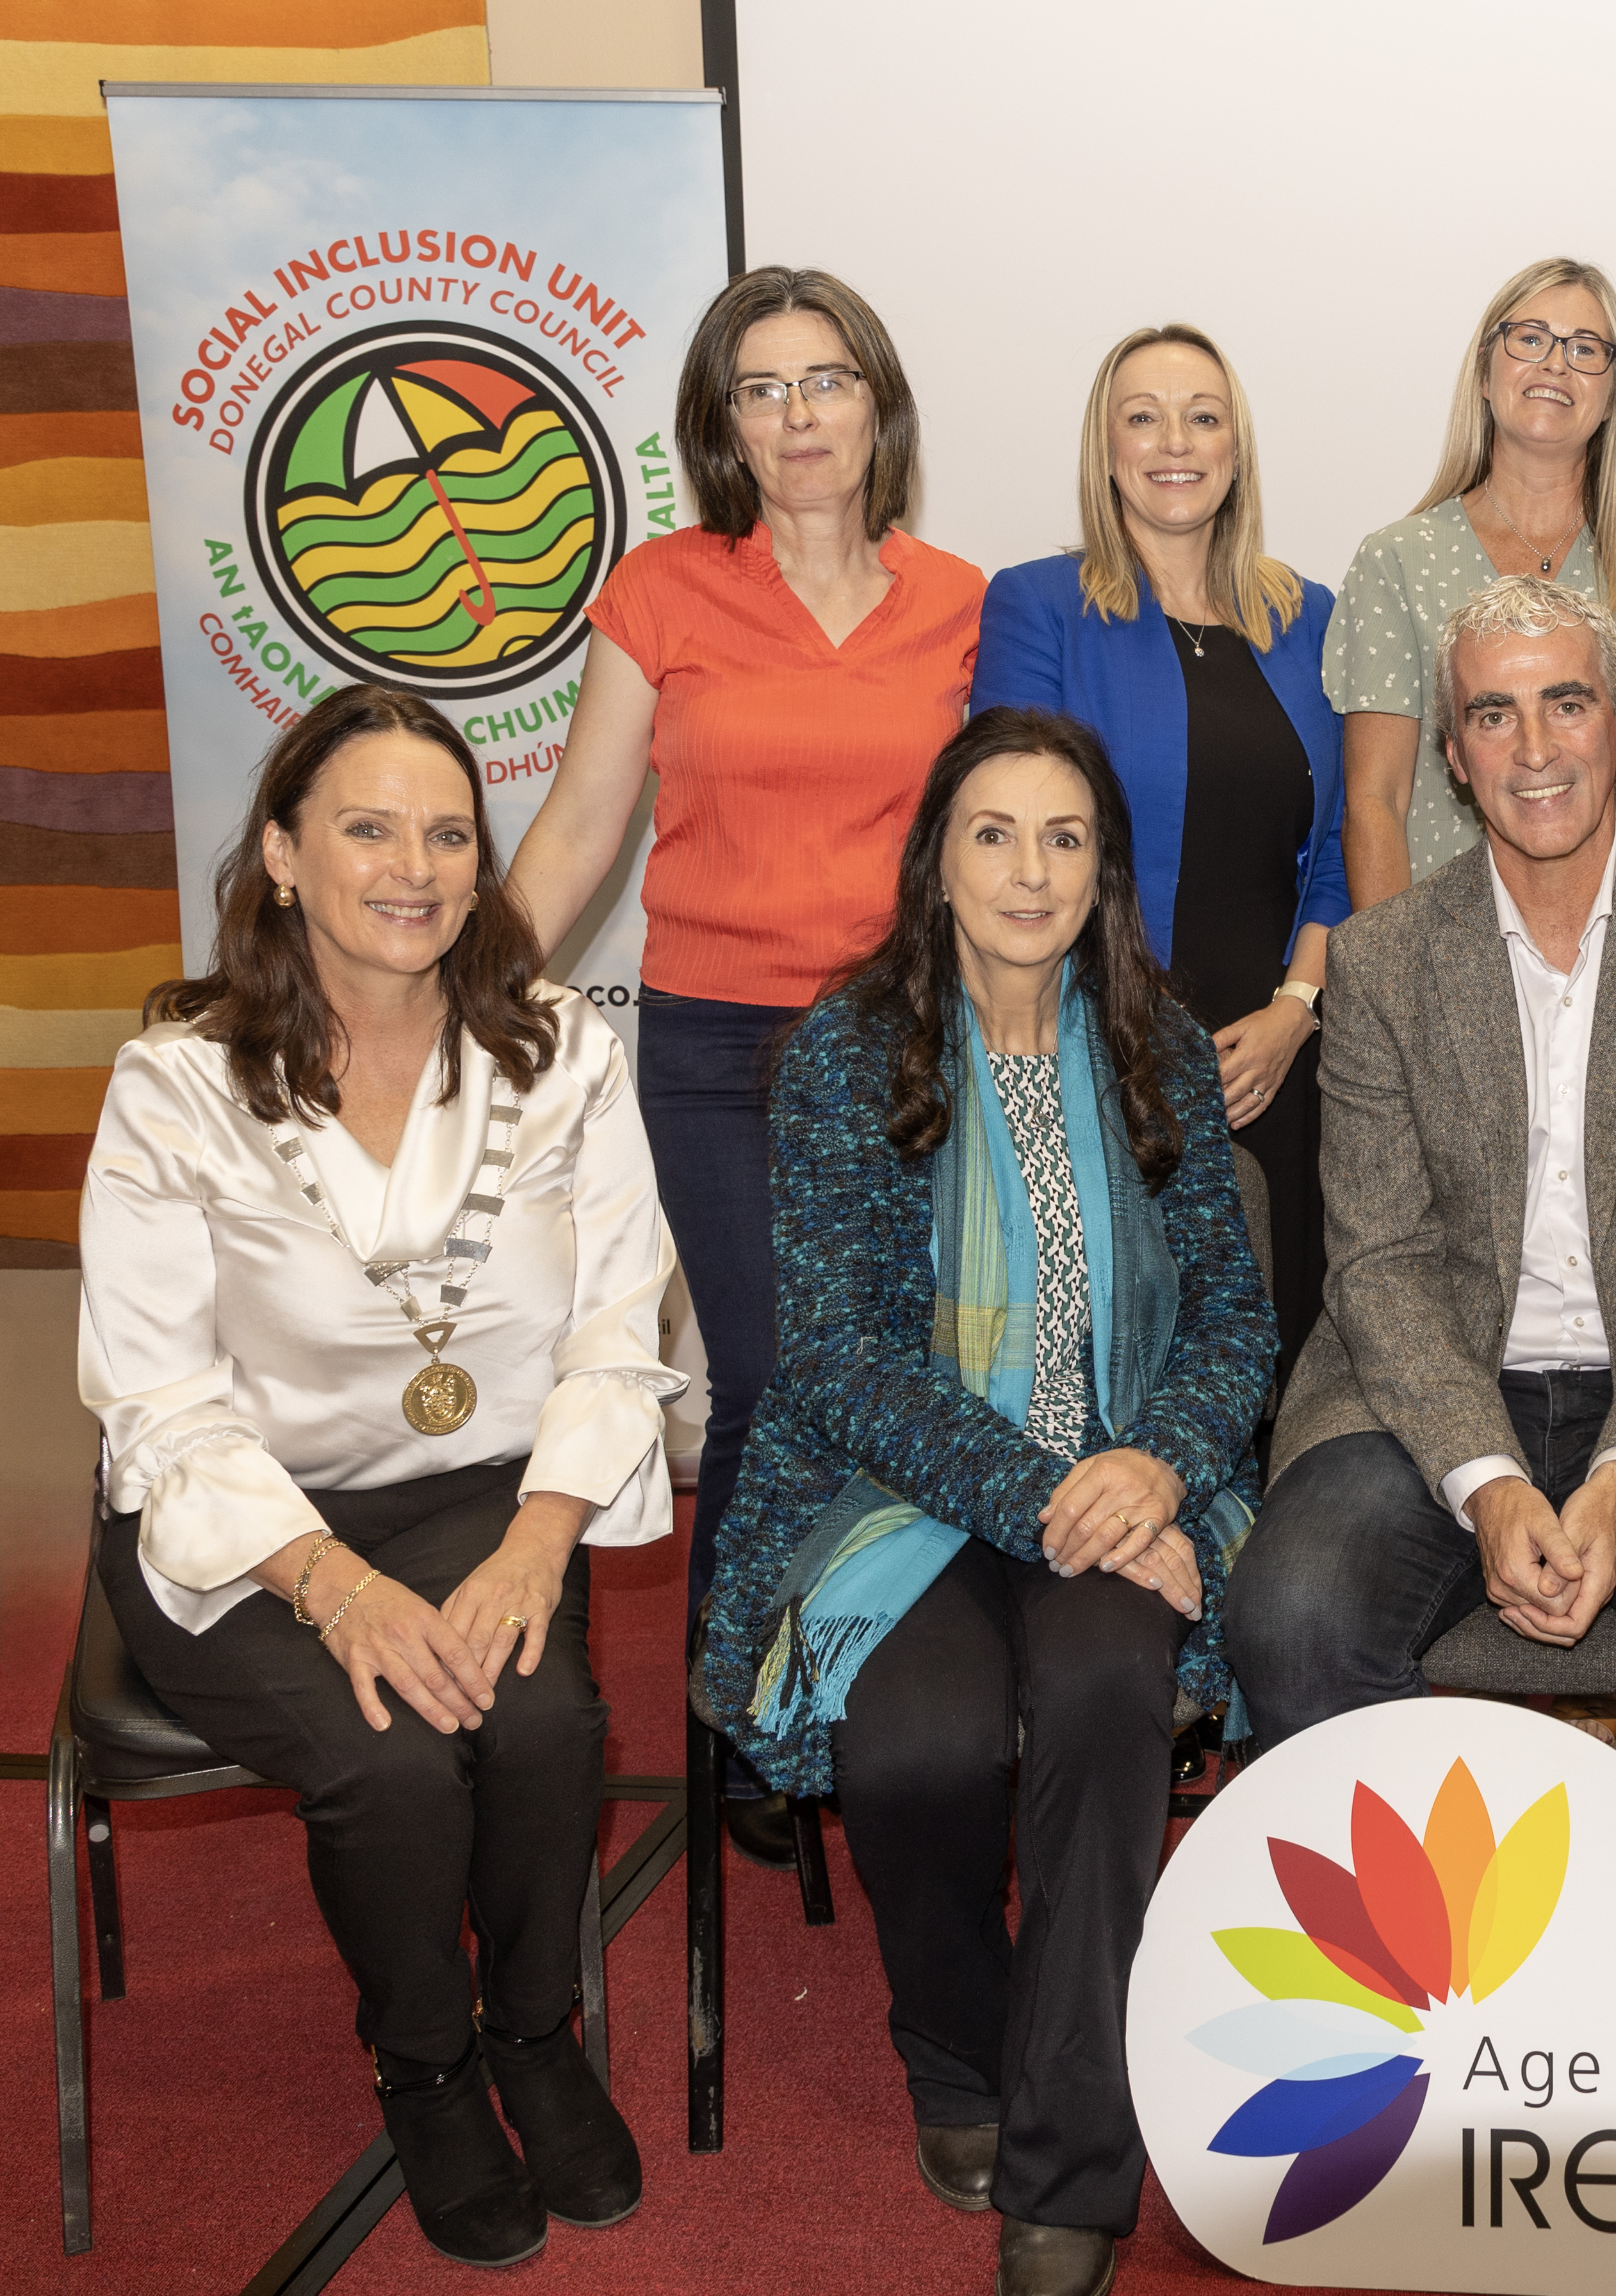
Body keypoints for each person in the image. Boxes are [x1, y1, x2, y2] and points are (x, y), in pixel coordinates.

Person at [77, 686, 680, 2268]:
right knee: (395, 1760)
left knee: (544, 1717)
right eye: (365, 828)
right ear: (281, 853)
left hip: (489, 1490)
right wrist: (334, 1588)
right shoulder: (176, 1087)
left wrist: (539, 1547)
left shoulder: (565, 1061)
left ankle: (535, 2027)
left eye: (446, 833)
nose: (411, 867)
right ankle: (424, 2065)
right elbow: (158, 1399)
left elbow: (621, 1332)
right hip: (248, 1522)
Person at [696, 707, 1274, 2296]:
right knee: (921, 1741)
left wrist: (1152, 1468)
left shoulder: (1160, 1048)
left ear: (1107, 872)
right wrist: (1056, 1500)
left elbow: (1233, 1318)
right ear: (936, 863)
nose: (1031, 871)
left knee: (1104, 1695)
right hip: (894, 1495)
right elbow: (831, 1355)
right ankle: (957, 2056)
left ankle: (1070, 2163)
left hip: (1123, 1484)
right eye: (996, 834)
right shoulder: (844, 1054)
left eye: (1067, 837)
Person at [1225, 575, 1616, 1864]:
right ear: (1453, 757)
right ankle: (1440, 1930)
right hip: (1427, 1389)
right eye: (1493, 716)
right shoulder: (1387, 961)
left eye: (1565, 704)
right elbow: (1381, 1266)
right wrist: (1492, 1477)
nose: (1534, 749)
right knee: (1288, 1621)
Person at [506, 266, 986, 1865]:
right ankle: (741, 1711)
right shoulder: (664, 591)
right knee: (775, 1383)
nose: (798, 416)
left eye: (826, 381)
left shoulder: (962, 601)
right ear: (724, 425)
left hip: (910, 1047)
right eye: (761, 389)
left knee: (912, 1382)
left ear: (878, 404)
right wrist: (449, 1004)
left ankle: (889, 1688)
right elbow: (580, 832)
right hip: (714, 1050)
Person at [974, 324, 1344, 1382]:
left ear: (1235, 447)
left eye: (1202, 414)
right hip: (1094, 1048)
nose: (1172, 440)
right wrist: (1124, 1037)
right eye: (1141, 415)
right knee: (1119, 1364)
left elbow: (1339, 845)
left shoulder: (1306, 617)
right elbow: (1008, 843)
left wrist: (1295, 1008)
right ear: (1105, 448)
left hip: (1278, 1063)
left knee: (1275, 1358)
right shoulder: (1039, 606)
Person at [1325, 256, 1616, 903]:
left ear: (1611, 395)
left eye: (1584, 350)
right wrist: (1395, 989)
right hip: (1446, 956)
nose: (1555, 363)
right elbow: (1374, 801)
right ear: (1486, 374)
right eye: (1530, 338)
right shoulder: (1396, 562)